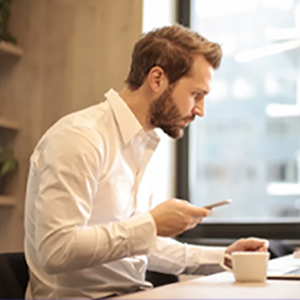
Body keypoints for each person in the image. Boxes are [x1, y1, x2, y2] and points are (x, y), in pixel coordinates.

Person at [24, 24, 269, 299]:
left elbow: (134, 244)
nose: (200, 111)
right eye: (195, 95)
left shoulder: (141, 144)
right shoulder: (79, 138)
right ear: (157, 79)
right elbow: (56, 250)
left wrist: (222, 257)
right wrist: (151, 223)